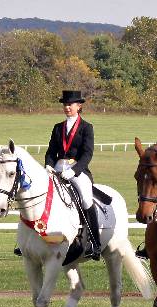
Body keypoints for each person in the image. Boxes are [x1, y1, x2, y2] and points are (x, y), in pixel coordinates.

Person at [44, 90, 101, 260]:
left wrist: (74, 171)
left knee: (86, 198)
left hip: (77, 170)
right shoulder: (57, 127)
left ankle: (95, 242)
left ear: (79, 106)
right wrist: (48, 165)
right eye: (65, 104)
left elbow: (87, 154)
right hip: (57, 169)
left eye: (70, 104)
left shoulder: (86, 127)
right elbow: (51, 151)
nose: (67, 107)